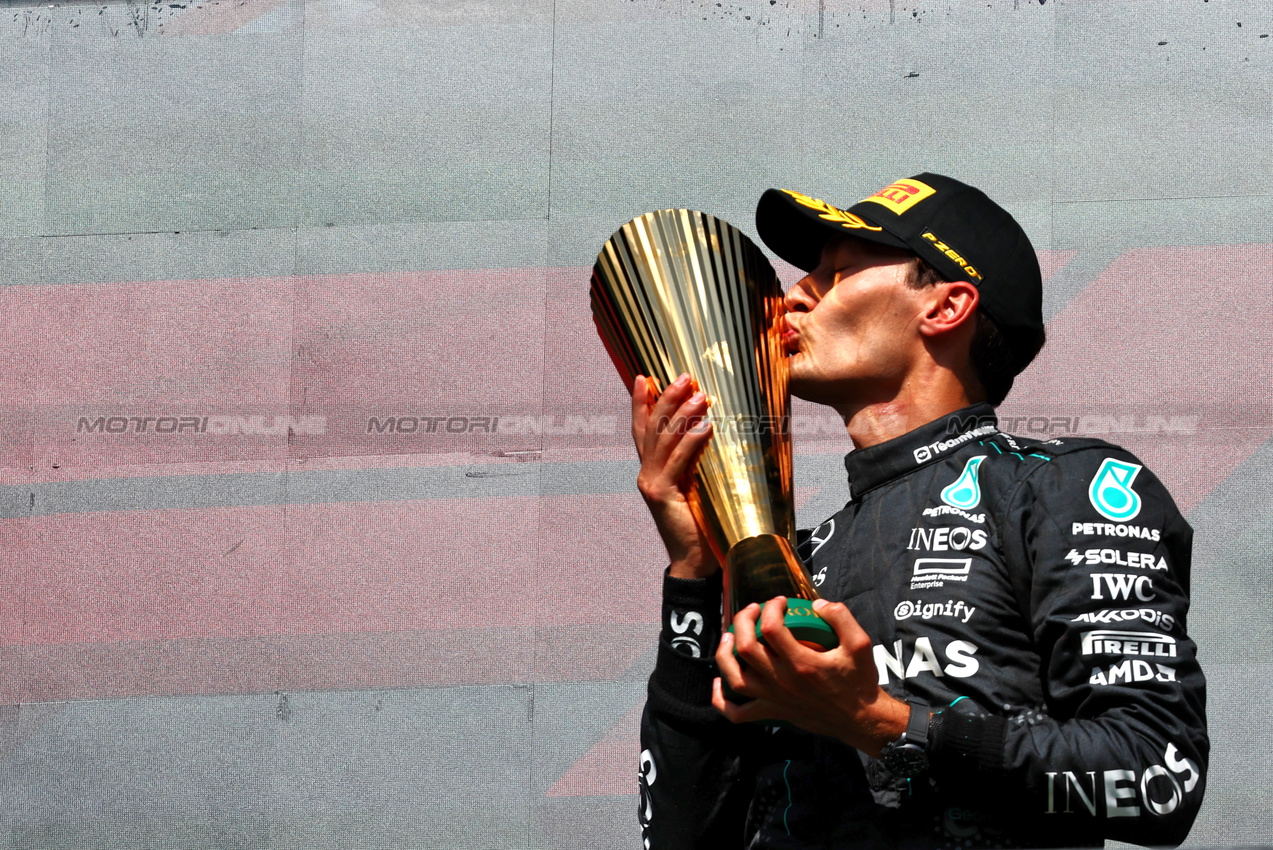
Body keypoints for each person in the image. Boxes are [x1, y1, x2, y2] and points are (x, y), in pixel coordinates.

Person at [633, 174, 1208, 849]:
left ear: (946, 306)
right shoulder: (790, 556)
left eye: (836, 272)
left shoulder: (1062, 488)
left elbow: (1157, 778)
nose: (792, 296)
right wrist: (696, 575)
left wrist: (873, 720)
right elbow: (676, 837)